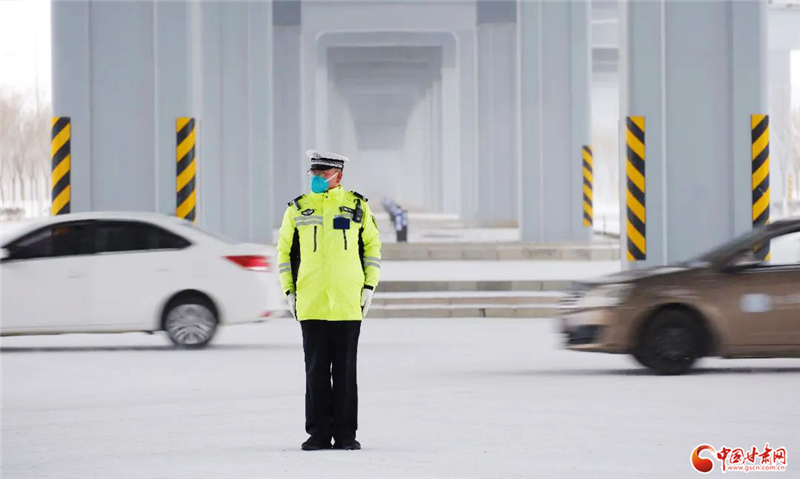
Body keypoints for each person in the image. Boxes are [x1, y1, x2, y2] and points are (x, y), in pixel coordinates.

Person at [277, 150, 382, 451]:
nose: (317, 179)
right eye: (314, 173)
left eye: (323, 174)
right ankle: (318, 433)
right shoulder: (298, 208)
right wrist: (289, 291)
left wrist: (369, 286)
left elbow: (372, 247)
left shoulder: (357, 206)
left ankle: (346, 434)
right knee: (316, 373)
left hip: (348, 302)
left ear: (338, 175)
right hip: (312, 302)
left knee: (346, 373)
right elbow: (284, 252)